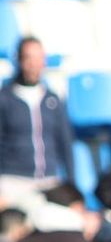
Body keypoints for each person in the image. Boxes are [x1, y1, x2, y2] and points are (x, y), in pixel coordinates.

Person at [0, 38, 74, 193]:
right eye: (29, 58)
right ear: (20, 61)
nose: (34, 64)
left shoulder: (52, 99)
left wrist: (72, 185)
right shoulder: (5, 98)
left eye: (39, 58)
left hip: (48, 180)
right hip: (14, 180)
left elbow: (64, 142)